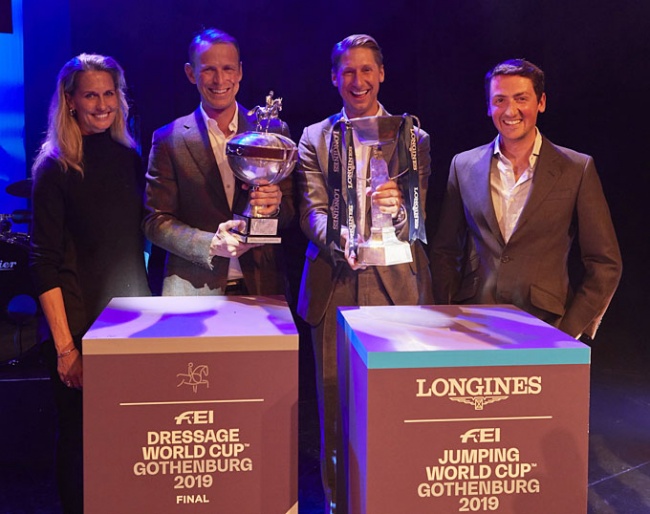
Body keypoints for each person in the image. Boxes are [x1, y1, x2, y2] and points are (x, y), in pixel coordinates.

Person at [296, 34, 433, 513]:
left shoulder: (413, 138)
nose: (358, 80)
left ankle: (394, 500)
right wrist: (337, 240)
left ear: (382, 74)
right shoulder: (313, 138)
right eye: (347, 71)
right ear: (334, 77)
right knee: (335, 411)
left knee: (394, 407)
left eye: (367, 70)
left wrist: (398, 211)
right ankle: (339, 505)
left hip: (396, 288)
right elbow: (311, 210)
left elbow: (416, 220)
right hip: (334, 284)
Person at [29, 53, 151, 513]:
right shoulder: (54, 169)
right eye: (90, 95)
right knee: (80, 448)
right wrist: (66, 349)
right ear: (70, 102)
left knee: (125, 446)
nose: (101, 104)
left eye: (109, 94)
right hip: (79, 334)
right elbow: (44, 263)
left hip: (129, 329)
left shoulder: (128, 158)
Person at [431, 58, 622, 341]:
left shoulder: (576, 168)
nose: (510, 110)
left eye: (521, 99)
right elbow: (445, 251)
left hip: (547, 325)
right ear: (488, 106)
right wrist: (451, 316)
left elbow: (605, 263)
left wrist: (568, 332)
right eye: (500, 100)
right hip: (475, 325)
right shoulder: (463, 165)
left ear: (541, 102)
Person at [143, 28, 294, 296]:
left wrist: (273, 207)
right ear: (191, 73)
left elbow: (290, 213)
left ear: (240, 72)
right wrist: (210, 243)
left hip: (263, 288)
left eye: (228, 68)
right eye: (208, 69)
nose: (220, 79)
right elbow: (155, 221)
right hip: (194, 289)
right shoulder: (168, 138)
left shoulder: (272, 133)